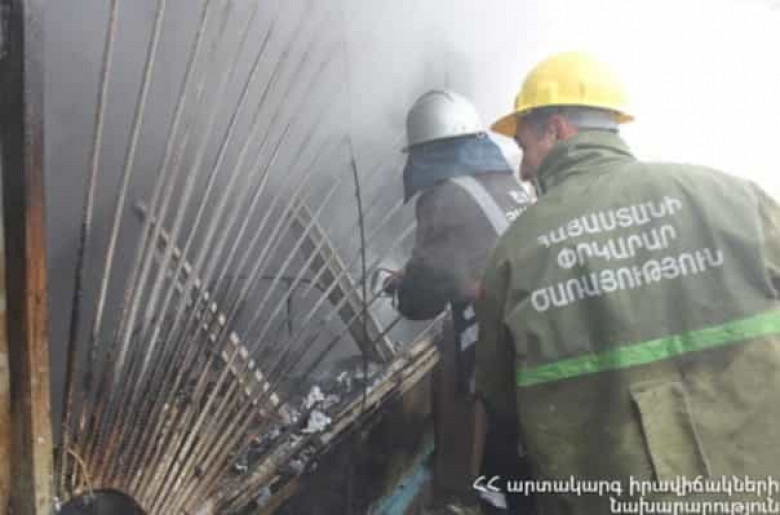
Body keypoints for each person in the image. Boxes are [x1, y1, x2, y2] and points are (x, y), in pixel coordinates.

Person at [476, 51, 780, 514]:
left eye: (524, 146)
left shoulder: (514, 254)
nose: (523, 170)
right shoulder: (738, 199)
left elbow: (498, 400)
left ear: (555, 129)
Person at [384, 89, 533, 514]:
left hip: (503, 343)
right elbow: (469, 254)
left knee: (505, 472)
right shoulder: (504, 180)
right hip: (542, 333)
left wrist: (403, 289)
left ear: (422, 152)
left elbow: (423, 296)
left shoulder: (443, 195)